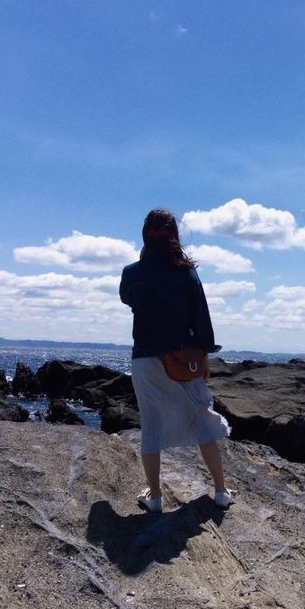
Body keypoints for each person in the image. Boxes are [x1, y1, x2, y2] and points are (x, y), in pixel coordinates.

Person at [119, 208, 233, 512]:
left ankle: (154, 497)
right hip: (184, 358)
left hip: (144, 358)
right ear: (174, 235)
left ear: (145, 235)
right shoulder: (186, 272)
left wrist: (146, 264)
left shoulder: (132, 273)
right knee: (201, 418)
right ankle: (221, 491)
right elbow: (202, 317)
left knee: (151, 425)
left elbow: (127, 299)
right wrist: (205, 354)